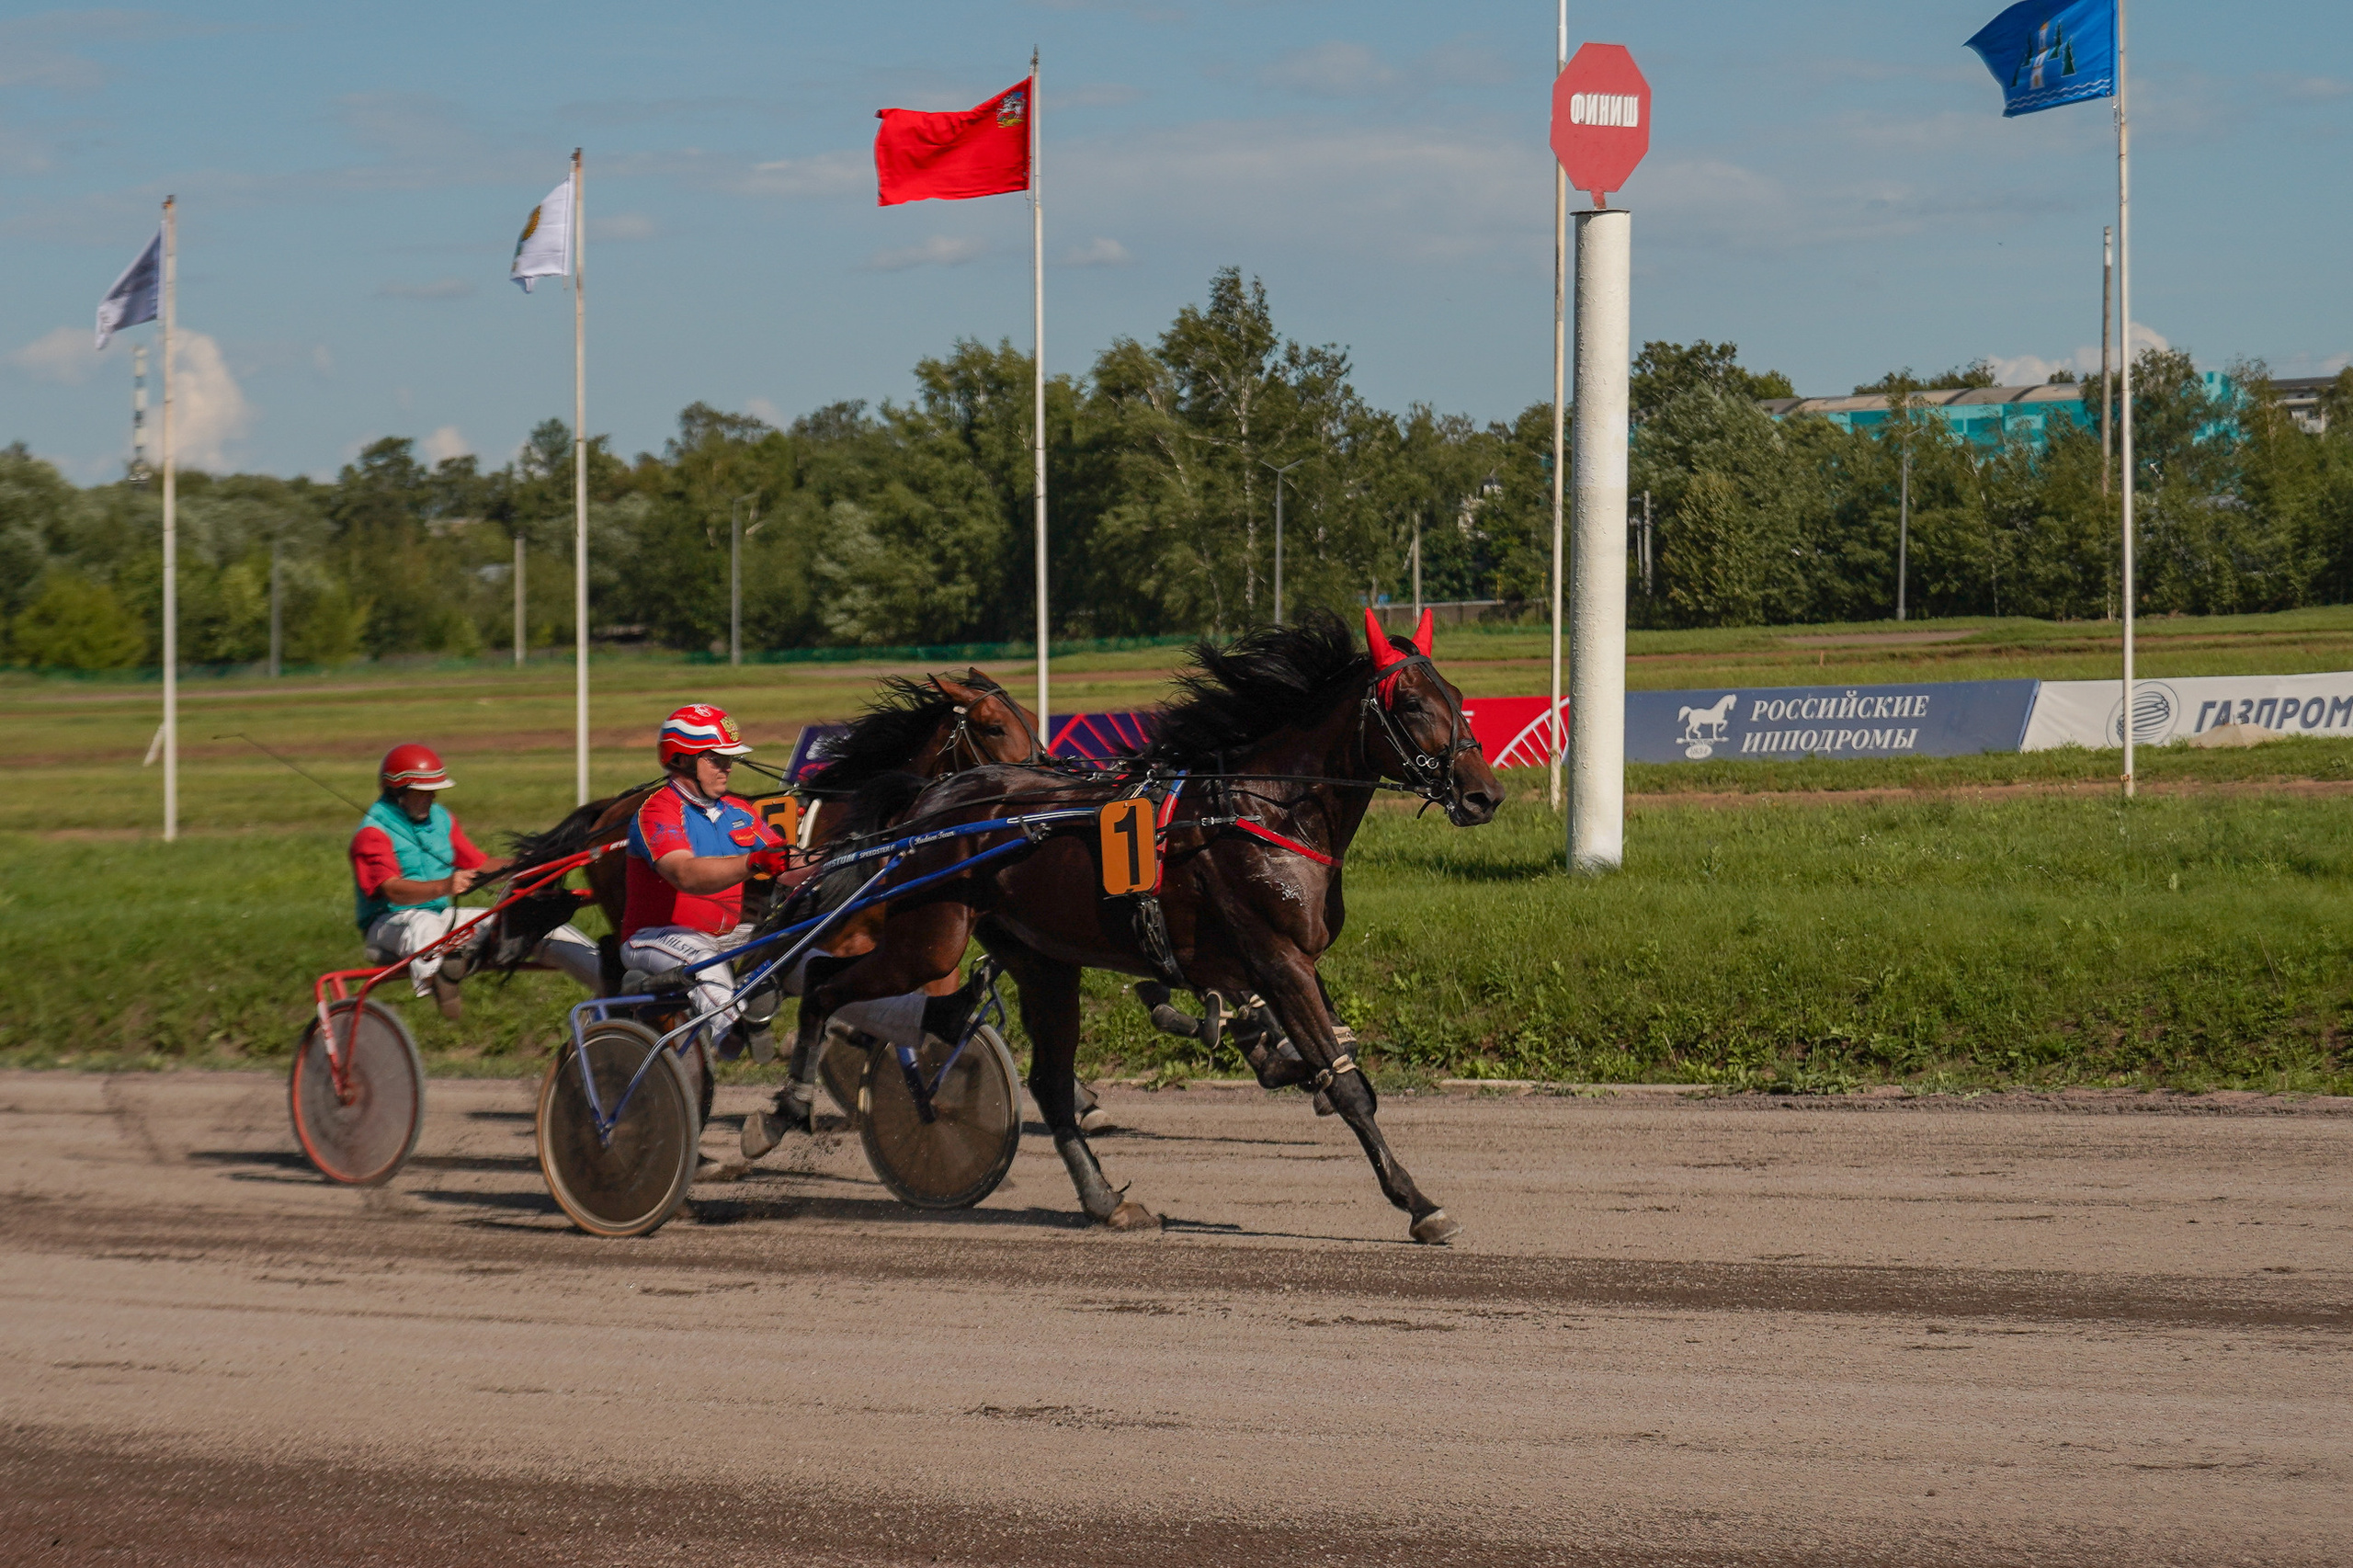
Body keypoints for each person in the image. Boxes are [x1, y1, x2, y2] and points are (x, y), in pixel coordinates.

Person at [350, 744, 601, 1019]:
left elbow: (479, 864)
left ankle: (609, 981)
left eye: (434, 790)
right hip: (388, 923)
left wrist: (531, 863)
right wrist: (445, 886)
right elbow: (393, 891)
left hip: (443, 918)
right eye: (424, 792)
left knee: (536, 925)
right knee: (424, 924)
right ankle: (439, 977)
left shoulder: (441, 819)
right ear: (398, 791)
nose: (433, 796)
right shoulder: (372, 833)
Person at [619, 705, 791, 1066]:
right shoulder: (657, 812)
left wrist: (851, 857)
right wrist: (753, 861)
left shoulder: (738, 811)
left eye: (729, 759)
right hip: (653, 936)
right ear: (682, 760)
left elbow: (790, 865)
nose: (728, 767)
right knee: (703, 957)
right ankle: (734, 1030)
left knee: (799, 935)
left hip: (726, 934)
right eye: (716, 760)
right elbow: (686, 875)